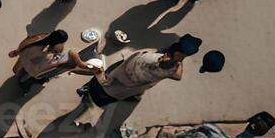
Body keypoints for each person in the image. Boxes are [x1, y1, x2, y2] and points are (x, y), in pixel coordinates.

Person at [70, 36, 200, 123]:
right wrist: (179, 62)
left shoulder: (146, 55)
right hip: (122, 91)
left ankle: (86, 90)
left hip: (112, 77)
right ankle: (90, 96)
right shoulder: (167, 72)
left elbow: (129, 58)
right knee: (110, 95)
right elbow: (178, 76)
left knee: (100, 77)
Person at [8, 30, 96, 88]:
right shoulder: (48, 52)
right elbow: (72, 56)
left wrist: (16, 52)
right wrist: (87, 65)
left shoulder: (37, 38)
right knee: (38, 78)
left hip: (23, 61)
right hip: (35, 71)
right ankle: (26, 85)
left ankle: (21, 77)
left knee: (23, 70)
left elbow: (23, 46)